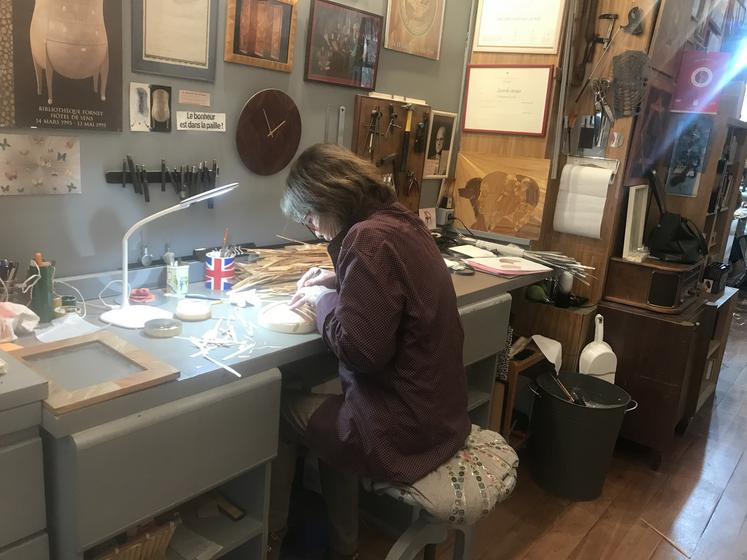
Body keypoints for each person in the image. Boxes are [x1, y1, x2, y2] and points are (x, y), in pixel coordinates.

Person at [269, 144, 471, 559]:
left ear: (328, 199)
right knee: (330, 413)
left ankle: (270, 542)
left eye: (309, 215)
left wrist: (318, 300)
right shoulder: (401, 221)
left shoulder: (366, 239)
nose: (310, 226)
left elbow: (359, 351)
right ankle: (346, 547)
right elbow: (389, 286)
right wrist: (337, 276)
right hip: (439, 418)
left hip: (402, 435)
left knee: (274, 411)